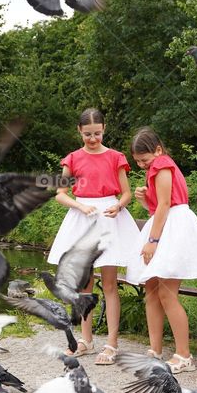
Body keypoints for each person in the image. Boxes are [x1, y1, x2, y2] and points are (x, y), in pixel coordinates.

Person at [126, 127, 197, 373]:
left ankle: (184, 355)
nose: (141, 165)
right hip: (165, 223)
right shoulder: (156, 167)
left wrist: (152, 241)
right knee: (151, 288)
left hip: (173, 229)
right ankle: (155, 350)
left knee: (166, 294)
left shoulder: (162, 165)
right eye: (137, 161)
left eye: (144, 159)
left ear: (158, 150)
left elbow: (164, 205)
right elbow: (157, 207)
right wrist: (143, 199)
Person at [48, 108, 142, 364]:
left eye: (97, 134)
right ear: (79, 131)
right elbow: (60, 193)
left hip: (109, 218)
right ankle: (86, 341)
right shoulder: (72, 159)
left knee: (110, 284)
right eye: (87, 134)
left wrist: (119, 205)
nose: (92, 138)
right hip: (82, 217)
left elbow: (126, 193)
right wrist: (80, 206)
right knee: (84, 286)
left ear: (104, 129)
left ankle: (111, 343)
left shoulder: (115, 157)